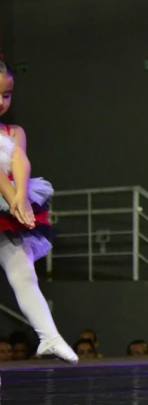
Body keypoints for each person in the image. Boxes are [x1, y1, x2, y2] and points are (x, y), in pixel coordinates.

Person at [0, 62, 77, 364]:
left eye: (6, 95)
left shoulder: (13, 131)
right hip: (4, 201)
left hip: (6, 208)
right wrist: (13, 199)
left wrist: (21, 195)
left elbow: (20, 162)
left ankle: (49, 336)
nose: (1, 102)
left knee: (23, 272)